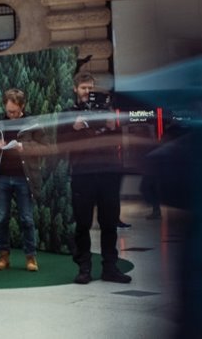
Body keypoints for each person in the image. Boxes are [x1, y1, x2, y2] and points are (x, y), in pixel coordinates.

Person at [61, 72, 131, 285]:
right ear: (75, 89)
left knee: (109, 222)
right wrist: (74, 128)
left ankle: (110, 267)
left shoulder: (107, 113)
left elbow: (120, 140)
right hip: (82, 174)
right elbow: (61, 143)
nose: (87, 92)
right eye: (83, 88)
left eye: (90, 88)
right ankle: (84, 268)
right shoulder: (69, 115)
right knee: (82, 224)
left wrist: (112, 127)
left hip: (109, 173)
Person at [0, 89, 51, 272]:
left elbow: (45, 148)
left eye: (14, 111)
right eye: (8, 111)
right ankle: (3, 257)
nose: (11, 115)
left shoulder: (33, 123)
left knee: (27, 219)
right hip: (2, 177)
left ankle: (31, 258)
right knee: (2, 219)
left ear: (22, 106)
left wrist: (24, 146)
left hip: (24, 178)